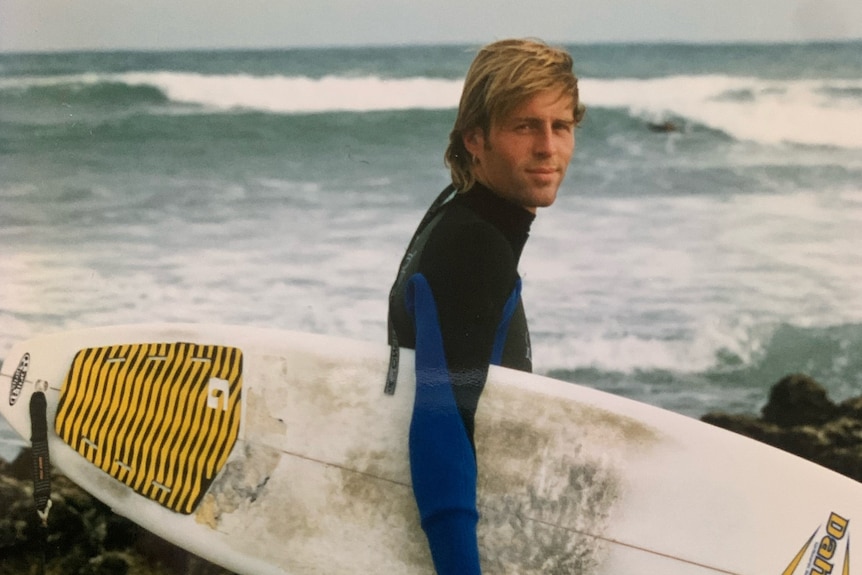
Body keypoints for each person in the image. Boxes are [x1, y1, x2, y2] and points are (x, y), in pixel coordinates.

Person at [385, 38, 585, 575]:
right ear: (475, 138)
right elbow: (441, 421)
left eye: (561, 126)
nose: (548, 147)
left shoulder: (454, 214)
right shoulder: (474, 247)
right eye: (525, 126)